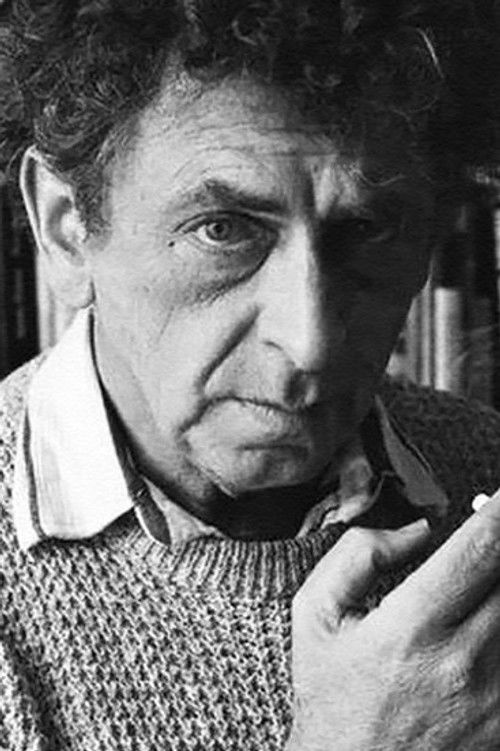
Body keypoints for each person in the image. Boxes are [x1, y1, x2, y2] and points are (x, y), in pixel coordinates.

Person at [0, 0, 499, 749]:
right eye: (223, 230)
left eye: (368, 230)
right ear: (67, 227)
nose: (310, 343)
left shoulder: (485, 461)